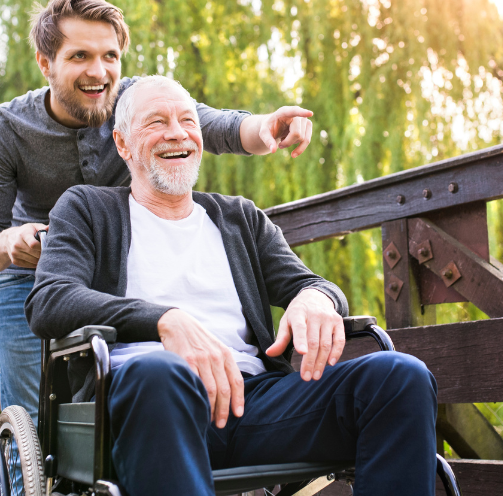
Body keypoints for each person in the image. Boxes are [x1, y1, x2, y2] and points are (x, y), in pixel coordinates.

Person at [26, 75, 439, 495]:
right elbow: (50, 301)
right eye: (156, 122)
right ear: (123, 144)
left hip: (253, 401)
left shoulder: (239, 218)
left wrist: (317, 297)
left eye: (188, 120)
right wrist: (164, 321)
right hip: (148, 402)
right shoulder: (86, 209)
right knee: (159, 371)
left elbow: (309, 283)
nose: (177, 132)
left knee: (400, 377)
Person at [0, 0, 315, 422]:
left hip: (110, 273)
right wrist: (10, 243)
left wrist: (269, 127)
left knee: (111, 408)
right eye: (79, 57)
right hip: (27, 280)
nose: (99, 72)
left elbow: (217, 125)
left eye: (110, 56)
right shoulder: (6, 128)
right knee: (34, 422)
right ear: (45, 63)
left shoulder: (135, 104)